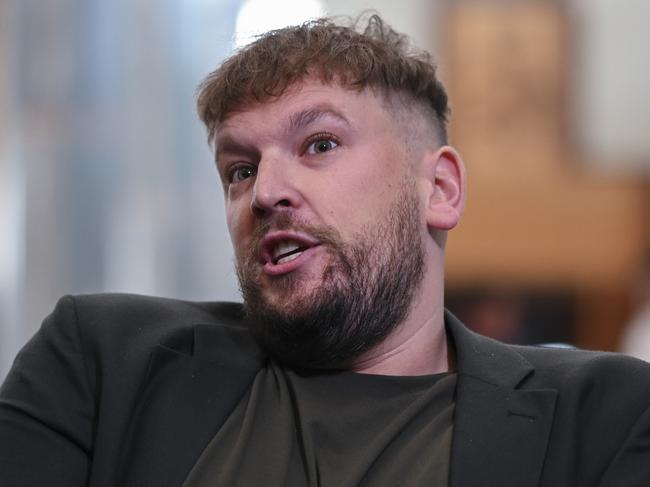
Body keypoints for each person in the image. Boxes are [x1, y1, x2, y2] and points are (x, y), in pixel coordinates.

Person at [1, 14, 650, 487]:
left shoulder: (605, 418)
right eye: (239, 169)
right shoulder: (101, 365)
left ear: (441, 189)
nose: (265, 193)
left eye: (319, 144)